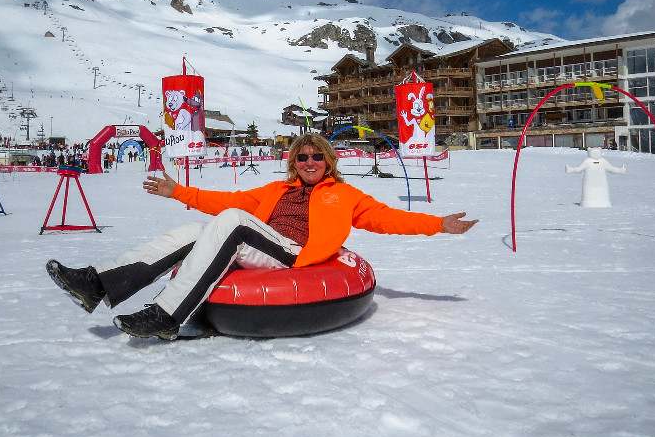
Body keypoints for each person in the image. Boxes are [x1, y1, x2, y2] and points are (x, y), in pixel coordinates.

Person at [46, 133, 478, 341]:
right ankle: (97, 283)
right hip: (263, 244)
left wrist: (439, 223)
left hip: (294, 257)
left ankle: (167, 315)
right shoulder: (275, 191)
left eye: (317, 157)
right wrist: (177, 191)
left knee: (233, 221)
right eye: (302, 157)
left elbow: (389, 219)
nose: (309, 162)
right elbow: (225, 199)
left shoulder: (344, 195)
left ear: (328, 162)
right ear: (294, 163)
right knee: (199, 229)